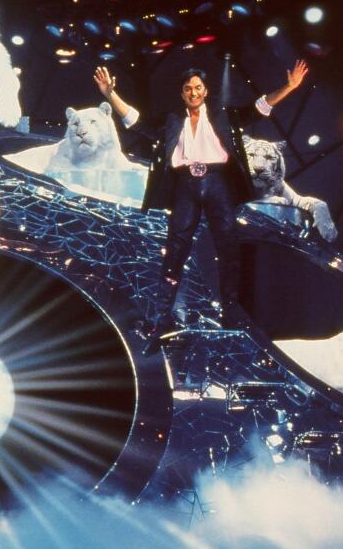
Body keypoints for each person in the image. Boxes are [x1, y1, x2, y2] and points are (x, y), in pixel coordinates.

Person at [93, 60, 309, 342]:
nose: (193, 93)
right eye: (188, 89)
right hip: (185, 186)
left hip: (218, 184)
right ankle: (162, 316)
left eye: (198, 88)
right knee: (175, 251)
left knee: (228, 248)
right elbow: (137, 122)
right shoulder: (172, 120)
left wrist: (289, 87)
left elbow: (259, 107)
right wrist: (110, 94)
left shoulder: (223, 116)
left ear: (205, 91)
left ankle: (230, 311)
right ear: (182, 94)